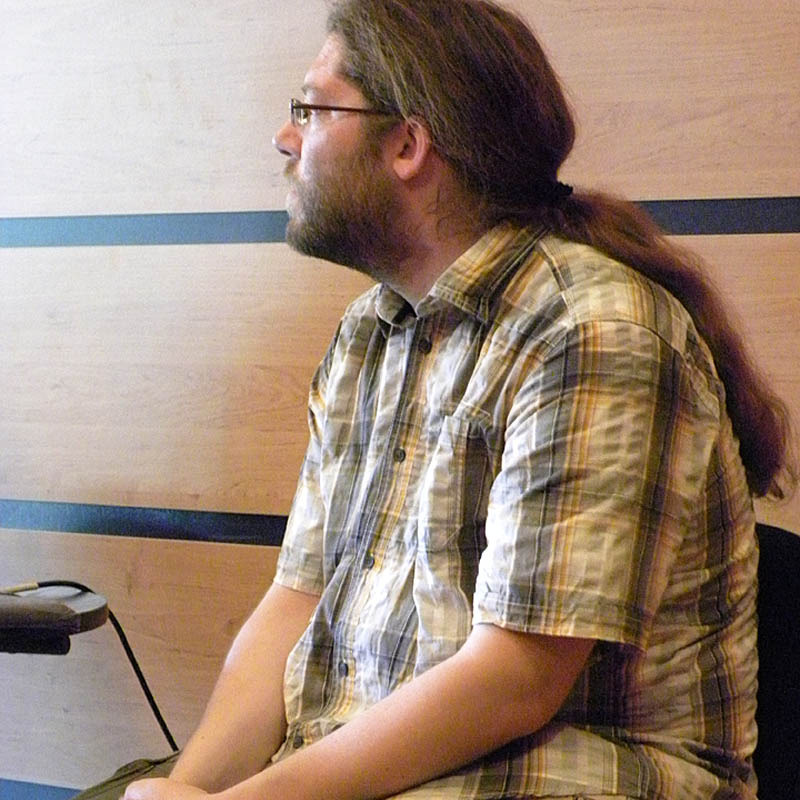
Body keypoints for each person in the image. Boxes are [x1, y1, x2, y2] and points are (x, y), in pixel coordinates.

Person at [120, 1, 795, 798]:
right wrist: (191, 789)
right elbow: (294, 603)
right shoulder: (367, 335)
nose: (285, 137)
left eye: (312, 108)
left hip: (576, 778)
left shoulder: (591, 330)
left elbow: (516, 679)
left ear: (408, 145)